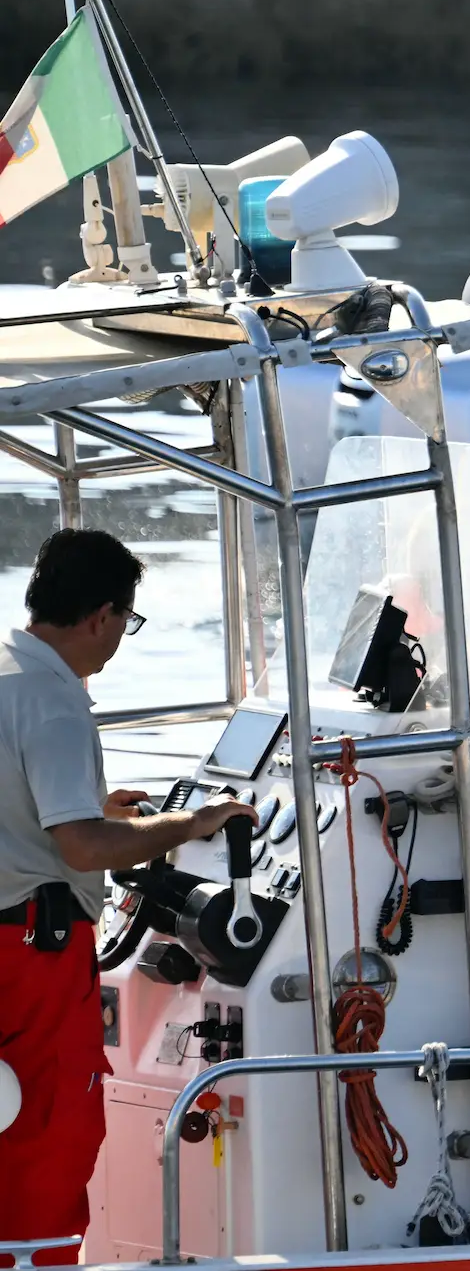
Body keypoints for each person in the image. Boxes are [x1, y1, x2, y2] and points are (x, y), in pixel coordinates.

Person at [0, 530, 250, 1257]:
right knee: (49, 1129)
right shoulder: (52, 700)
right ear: (103, 615)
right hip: (31, 960)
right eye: (126, 623)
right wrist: (193, 821)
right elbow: (81, 849)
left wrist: (87, 801)